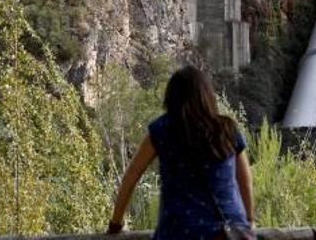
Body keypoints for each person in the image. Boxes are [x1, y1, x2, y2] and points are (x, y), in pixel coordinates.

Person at [107, 66, 255, 239]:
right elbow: (245, 181)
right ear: (207, 96)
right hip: (228, 231)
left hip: (179, 230)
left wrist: (116, 224)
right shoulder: (227, 129)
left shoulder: (161, 130)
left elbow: (130, 179)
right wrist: (249, 221)